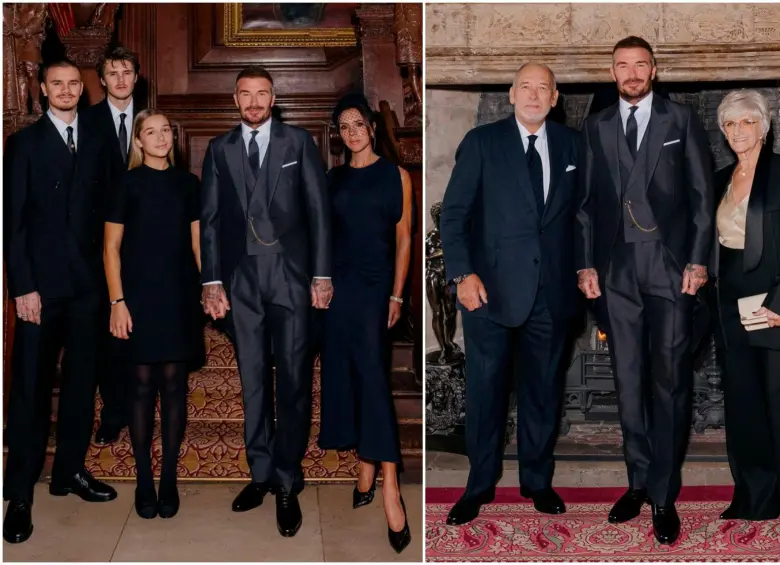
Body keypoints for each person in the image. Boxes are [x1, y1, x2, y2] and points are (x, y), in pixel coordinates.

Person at [575, 36, 714, 544]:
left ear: (654, 70)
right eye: (621, 66)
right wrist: (586, 265)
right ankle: (636, 481)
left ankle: (663, 492)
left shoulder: (680, 121)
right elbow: (587, 205)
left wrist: (699, 259)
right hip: (616, 271)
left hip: (671, 267)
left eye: (640, 64)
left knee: (670, 381)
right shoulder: (597, 126)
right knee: (627, 379)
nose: (631, 73)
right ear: (612, 73)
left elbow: (703, 196)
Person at [440, 63, 582, 525]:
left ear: (556, 98)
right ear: (511, 93)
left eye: (544, 88)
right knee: (486, 393)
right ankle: (479, 486)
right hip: (489, 293)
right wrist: (462, 275)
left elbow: (582, 219)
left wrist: (584, 271)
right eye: (526, 87)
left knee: (543, 393)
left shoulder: (572, 145)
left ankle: (537, 482)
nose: (535, 95)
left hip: (552, 294)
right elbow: (454, 215)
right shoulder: (482, 142)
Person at [200, 66, 332, 537]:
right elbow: (210, 221)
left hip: (292, 279)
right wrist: (211, 282)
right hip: (242, 283)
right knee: (252, 380)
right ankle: (259, 473)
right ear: (235, 100)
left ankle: (287, 479)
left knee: (294, 381)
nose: (253, 102)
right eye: (244, 95)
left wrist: (321, 274)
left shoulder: (297, 144)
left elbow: (318, 210)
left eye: (261, 94)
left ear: (274, 97)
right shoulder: (220, 150)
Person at [3, 59, 117, 544]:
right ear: (43, 89)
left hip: (88, 286)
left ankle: (69, 471)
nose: (67, 91)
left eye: (74, 84)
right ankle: (20, 489)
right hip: (40, 290)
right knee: (30, 386)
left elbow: (112, 213)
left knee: (80, 382)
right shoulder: (23, 144)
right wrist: (22, 288)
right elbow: (12, 222)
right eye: (58, 84)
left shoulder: (98, 140)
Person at [318, 93, 412, 554]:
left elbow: (404, 238)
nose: (352, 132)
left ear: (373, 127)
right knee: (348, 376)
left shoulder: (397, 176)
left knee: (374, 380)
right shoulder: (331, 178)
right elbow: (319, 236)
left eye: (359, 124)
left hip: (376, 290)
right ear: (339, 134)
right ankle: (365, 467)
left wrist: (397, 293)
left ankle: (390, 485)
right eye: (344, 126)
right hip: (338, 291)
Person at [104, 109, 204, 519]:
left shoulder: (188, 184)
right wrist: (117, 301)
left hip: (179, 295)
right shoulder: (125, 183)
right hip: (138, 297)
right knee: (142, 385)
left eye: (166, 130)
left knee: (174, 384)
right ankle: (143, 478)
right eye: (151, 132)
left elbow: (199, 245)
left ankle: (168, 480)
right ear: (139, 142)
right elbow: (110, 248)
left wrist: (208, 290)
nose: (161, 137)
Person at [711, 89, 780, 521]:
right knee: (744, 402)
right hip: (729, 303)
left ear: (764, 126)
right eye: (731, 123)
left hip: (773, 301)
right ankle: (754, 496)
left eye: (747, 121)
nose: (739, 130)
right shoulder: (720, 178)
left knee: (777, 401)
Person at [83, 44, 145, 446]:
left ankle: (142, 407)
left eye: (127, 72)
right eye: (113, 73)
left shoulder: (151, 121)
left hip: (145, 244)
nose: (121, 80)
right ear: (102, 79)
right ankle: (113, 411)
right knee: (107, 334)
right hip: (98, 244)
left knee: (142, 329)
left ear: (136, 77)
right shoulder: (86, 123)